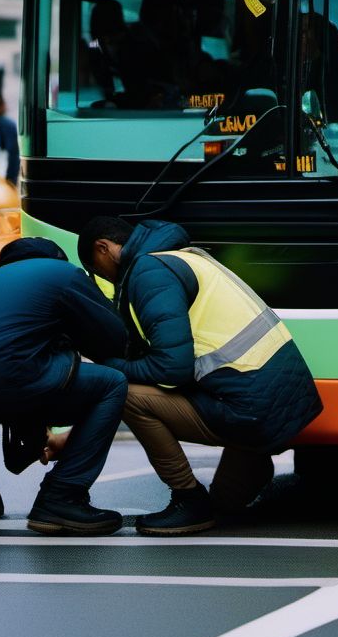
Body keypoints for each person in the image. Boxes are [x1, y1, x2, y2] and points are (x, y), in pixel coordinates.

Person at [77, 216, 323, 536]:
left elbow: (172, 368)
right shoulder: (187, 256)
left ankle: (188, 499)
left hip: (250, 411)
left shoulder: (149, 271)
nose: (106, 279)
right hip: (282, 402)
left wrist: (110, 366)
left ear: (104, 248)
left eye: (98, 271)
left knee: (127, 393)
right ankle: (253, 459)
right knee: (225, 505)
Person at [0, 236, 129, 535]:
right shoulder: (63, 274)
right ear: (56, 258)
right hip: (8, 376)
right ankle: (63, 494)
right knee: (112, 384)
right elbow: (115, 338)